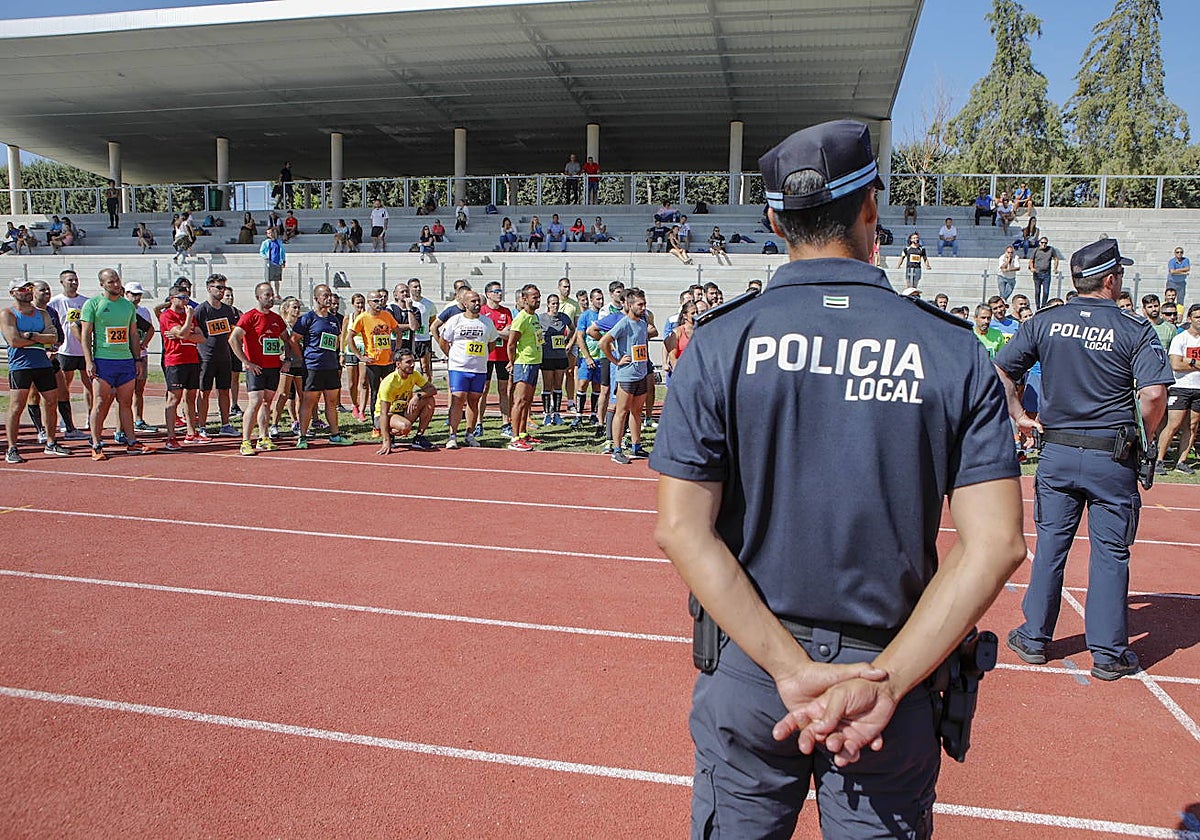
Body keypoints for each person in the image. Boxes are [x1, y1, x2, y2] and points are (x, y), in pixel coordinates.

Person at [651, 119, 1026, 838]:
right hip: (894, 677)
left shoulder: (722, 342)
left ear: (772, 219)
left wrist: (791, 669)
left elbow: (680, 527)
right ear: (871, 210)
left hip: (756, 671)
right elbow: (997, 543)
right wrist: (882, 682)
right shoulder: (951, 350)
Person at [996, 238, 1173, 681]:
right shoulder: (1135, 329)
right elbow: (1153, 394)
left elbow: (1000, 369)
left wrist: (1018, 415)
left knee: (1051, 546)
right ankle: (1109, 654)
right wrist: (1148, 437)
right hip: (1111, 457)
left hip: (1056, 452)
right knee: (1110, 553)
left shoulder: (1045, 322)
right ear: (1111, 279)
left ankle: (1035, 638)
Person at [80, 268, 152, 459]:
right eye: (110, 282)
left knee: (126, 402)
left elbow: (133, 334)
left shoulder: (127, 306)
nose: (116, 284)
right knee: (100, 402)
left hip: (125, 360)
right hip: (103, 361)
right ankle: (96, 443)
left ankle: (131, 441)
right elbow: (85, 334)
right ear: (102, 284)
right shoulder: (93, 304)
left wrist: (137, 359)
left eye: (117, 280)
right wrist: (89, 361)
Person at [3, 279, 70, 463]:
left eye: (29, 288)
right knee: (16, 406)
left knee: (51, 402)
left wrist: (31, 336)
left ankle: (51, 442)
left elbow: (54, 337)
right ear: (13, 293)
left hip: (42, 363)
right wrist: (41, 339)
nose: (27, 292)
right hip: (20, 365)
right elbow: (14, 341)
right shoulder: (8, 314)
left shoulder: (43, 313)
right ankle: (12, 448)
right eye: (23, 289)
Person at [290, 284, 355, 448]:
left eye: (330, 295)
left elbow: (336, 341)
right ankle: (303, 437)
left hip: (330, 366)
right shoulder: (307, 318)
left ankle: (335, 434)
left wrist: (337, 356)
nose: (328, 298)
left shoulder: (334, 320)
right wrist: (302, 357)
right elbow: (293, 340)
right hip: (313, 366)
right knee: (309, 401)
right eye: (325, 295)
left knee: (332, 402)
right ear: (316, 298)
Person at [229, 282, 288, 455]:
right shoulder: (250, 317)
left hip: (273, 367)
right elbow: (233, 339)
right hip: (256, 368)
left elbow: (286, 339)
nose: (270, 298)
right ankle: (246, 441)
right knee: (254, 402)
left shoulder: (276, 319)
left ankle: (263, 437)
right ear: (258, 297)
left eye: (271, 295)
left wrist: (286, 358)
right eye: (266, 295)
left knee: (267, 402)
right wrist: (246, 362)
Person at [438, 288, 501, 449]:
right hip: (458, 367)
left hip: (479, 369)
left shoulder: (486, 322)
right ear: (465, 303)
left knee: (474, 400)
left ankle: (469, 434)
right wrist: (452, 356)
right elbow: (443, 340)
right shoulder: (456, 320)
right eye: (473, 301)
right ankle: (452, 435)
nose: (477, 304)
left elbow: (492, 343)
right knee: (458, 398)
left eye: (478, 301)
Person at [598, 287, 651, 464]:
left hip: (641, 374)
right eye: (640, 304)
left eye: (644, 304)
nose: (643, 308)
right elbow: (603, 342)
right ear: (629, 305)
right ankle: (617, 449)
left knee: (637, 411)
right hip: (626, 375)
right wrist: (615, 360)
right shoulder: (623, 323)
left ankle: (636, 445)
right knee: (621, 412)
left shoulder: (643, 323)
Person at [349, 289, 404, 438]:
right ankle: (376, 425)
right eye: (376, 301)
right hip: (373, 363)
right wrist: (360, 356)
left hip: (388, 361)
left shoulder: (387, 315)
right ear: (369, 302)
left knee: (391, 393)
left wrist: (396, 351)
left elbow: (398, 332)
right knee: (376, 393)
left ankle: (392, 423)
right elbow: (350, 338)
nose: (379, 303)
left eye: (381, 300)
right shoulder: (363, 318)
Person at [158, 284, 205, 450]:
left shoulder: (189, 316)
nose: (186, 301)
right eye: (182, 298)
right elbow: (182, 333)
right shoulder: (167, 316)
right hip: (175, 361)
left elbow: (202, 338)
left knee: (190, 396)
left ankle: (191, 433)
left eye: (187, 298)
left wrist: (187, 334)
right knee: (174, 398)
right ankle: (171, 436)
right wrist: (188, 323)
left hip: (192, 359)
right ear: (172, 299)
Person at [1155, 303, 1200, 475]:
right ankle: (1159, 459)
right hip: (1181, 387)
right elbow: (1175, 364)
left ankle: (1181, 461)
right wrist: (1195, 363)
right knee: (1173, 424)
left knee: (1192, 425)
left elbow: (1183, 363)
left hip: (1198, 387)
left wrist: (1188, 361)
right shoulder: (1181, 339)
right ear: (1189, 319)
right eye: (1197, 317)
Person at [194, 274, 239, 439]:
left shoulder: (228, 311)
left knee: (224, 391)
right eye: (218, 287)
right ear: (209, 288)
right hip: (206, 357)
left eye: (223, 288)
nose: (222, 291)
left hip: (224, 356)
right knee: (204, 392)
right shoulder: (201, 310)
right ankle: (202, 426)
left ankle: (225, 424)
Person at [47, 270, 91, 440]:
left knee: (89, 384)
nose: (74, 282)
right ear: (62, 282)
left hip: (84, 351)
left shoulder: (85, 302)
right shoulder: (55, 302)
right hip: (66, 351)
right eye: (70, 280)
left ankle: (89, 417)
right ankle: (65, 421)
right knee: (64, 386)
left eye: (75, 280)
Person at [505, 284, 544, 451]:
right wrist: (512, 362)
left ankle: (523, 433)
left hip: (534, 362)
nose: (538, 300)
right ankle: (514, 438)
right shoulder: (521, 318)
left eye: (538, 296)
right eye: (534, 297)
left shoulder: (534, 317)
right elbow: (511, 344)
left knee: (527, 401)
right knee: (520, 401)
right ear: (524, 299)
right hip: (524, 363)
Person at [376, 349, 437, 453]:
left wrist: (417, 396)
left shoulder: (414, 375)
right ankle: (389, 435)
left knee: (429, 400)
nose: (412, 365)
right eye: (408, 362)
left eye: (413, 361)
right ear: (398, 364)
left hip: (403, 411)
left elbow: (432, 389)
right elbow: (383, 413)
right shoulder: (389, 383)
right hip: (386, 415)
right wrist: (386, 441)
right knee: (405, 426)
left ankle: (419, 438)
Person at [481, 282, 515, 437]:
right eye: (496, 291)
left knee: (503, 390)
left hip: (502, 356)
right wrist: (499, 332)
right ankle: (478, 423)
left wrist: (494, 332)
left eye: (500, 291)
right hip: (486, 356)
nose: (499, 294)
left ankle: (505, 423)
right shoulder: (482, 311)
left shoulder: (506, 311)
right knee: (483, 390)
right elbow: (483, 334)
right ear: (488, 294)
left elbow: (509, 334)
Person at [538, 294, 574, 425]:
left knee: (558, 384)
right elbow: (536, 332)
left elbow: (573, 329)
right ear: (548, 304)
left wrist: (567, 342)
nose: (555, 306)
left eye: (557, 303)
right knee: (547, 385)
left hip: (560, 355)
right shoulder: (541, 318)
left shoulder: (564, 317)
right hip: (547, 356)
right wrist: (541, 343)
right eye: (553, 303)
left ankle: (557, 414)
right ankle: (547, 414)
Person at [1029, 235, 1061, 310]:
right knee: (1037, 291)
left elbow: (1056, 258)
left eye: (1045, 243)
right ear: (1039, 243)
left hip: (1046, 274)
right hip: (1037, 273)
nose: (1044, 244)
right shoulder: (1036, 250)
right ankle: (1037, 306)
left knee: (1046, 292)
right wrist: (1032, 268)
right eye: (1042, 243)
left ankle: (1043, 306)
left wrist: (1055, 268)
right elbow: (1031, 260)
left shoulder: (1051, 250)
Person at [260, 226, 286, 298]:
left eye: (271, 233)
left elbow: (282, 252)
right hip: (269, 263)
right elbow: (261, 252)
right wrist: (266, 257)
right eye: (268, 233)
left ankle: (277, 293)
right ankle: (270, 293)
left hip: (277, 262)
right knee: (268, 280)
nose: (270, 234)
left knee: (276, 280)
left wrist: (283, 261)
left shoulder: (279, 242)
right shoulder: (265, 243)